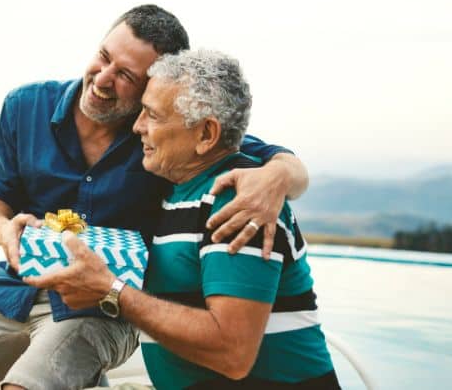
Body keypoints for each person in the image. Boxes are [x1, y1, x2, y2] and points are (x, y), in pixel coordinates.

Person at [0, 5, 310, 390]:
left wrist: (275, 178)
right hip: (16, 287)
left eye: (127, 75)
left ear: (155, 86)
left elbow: (254, 152)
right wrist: (3, 228)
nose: (103, 78)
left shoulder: (166, 133)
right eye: (103, 56)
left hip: (108, 306)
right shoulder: (25, 105)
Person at [27, 48, 339, 389]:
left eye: (153, 115)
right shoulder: (175, 191)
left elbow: (232, 353)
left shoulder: (237, 202)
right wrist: (53, 232)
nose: (137, 127)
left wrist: (112, 291)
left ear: (206, 135)